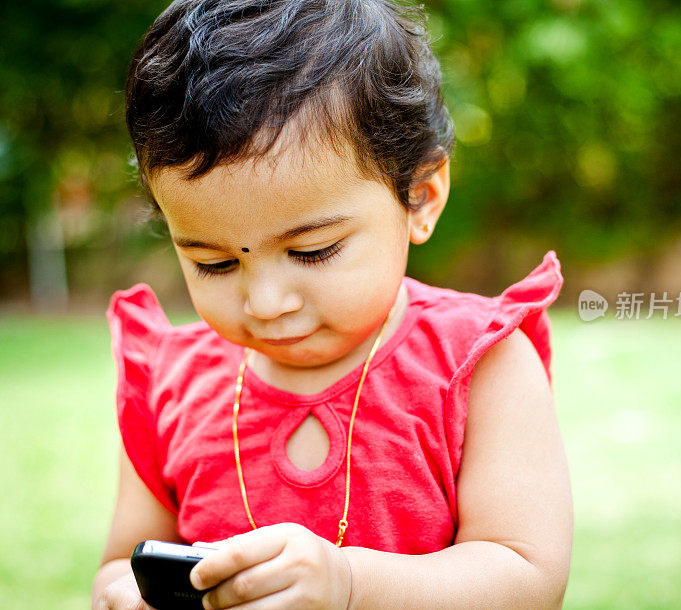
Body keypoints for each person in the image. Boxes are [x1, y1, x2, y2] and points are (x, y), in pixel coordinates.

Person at [91, 1, 573, 608]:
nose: (265, 303)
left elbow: (528, 578)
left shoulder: (481, 367)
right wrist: (125, 597)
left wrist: (349, 585)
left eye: (314, 251)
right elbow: (120, 563)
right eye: (214, 263)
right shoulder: (170, 386)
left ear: (419, 196)